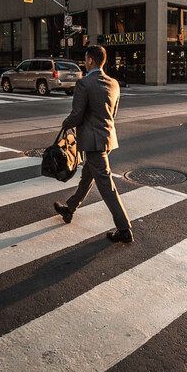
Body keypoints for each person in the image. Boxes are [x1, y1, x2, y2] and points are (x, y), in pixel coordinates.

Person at [53, 44, 133, 243]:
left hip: (92, 141)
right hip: (107, 138)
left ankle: (124, 229)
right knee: (87, 177)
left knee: (106, 185)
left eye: (86, 58)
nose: (85, 61)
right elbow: (112, 114)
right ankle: (70, 209)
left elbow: (77, 115)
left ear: (91, 60)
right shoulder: (114, 83)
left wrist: (66, 124)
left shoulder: (84, 83)